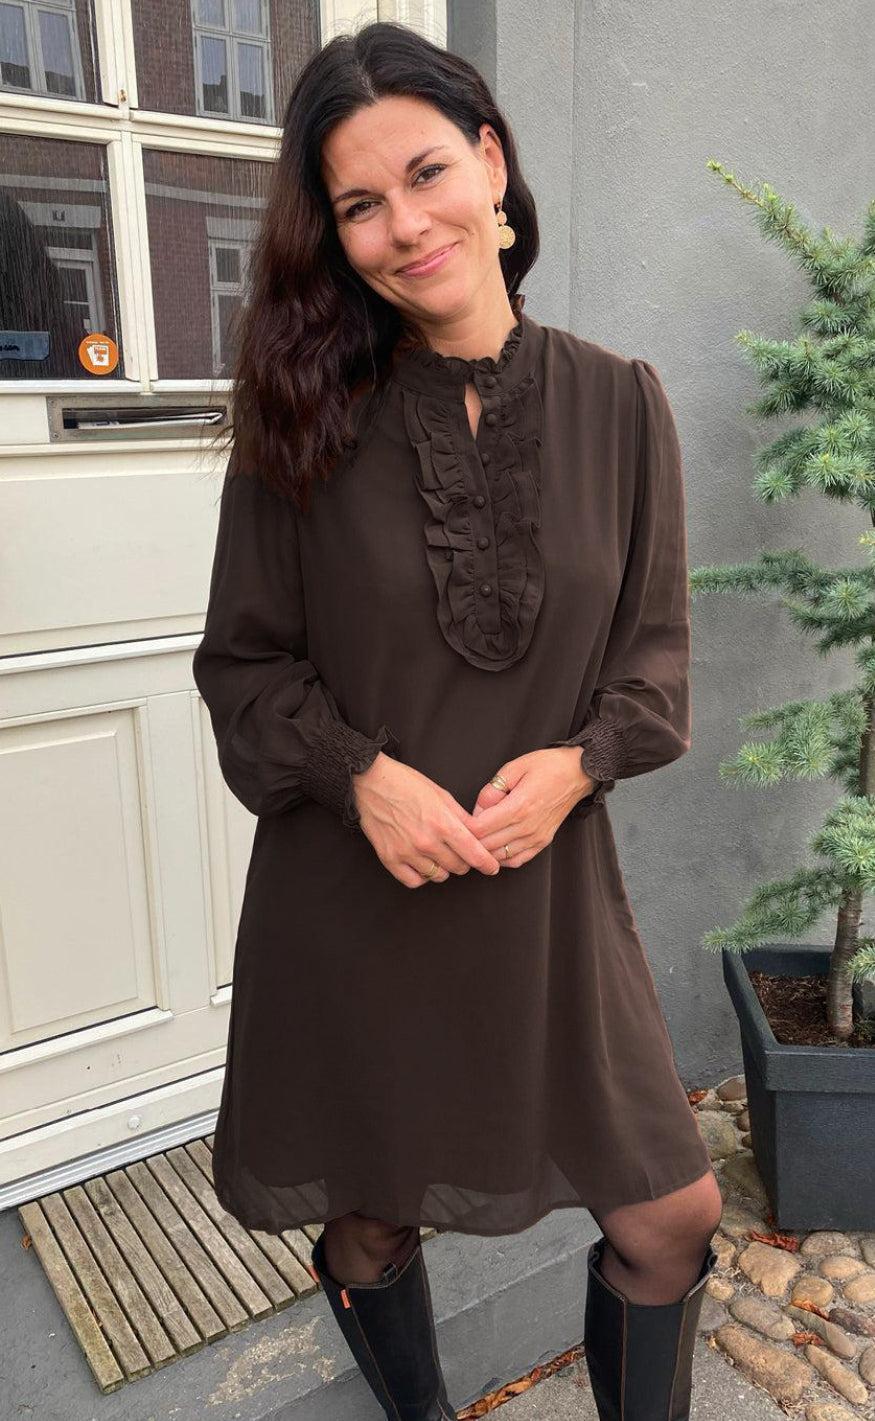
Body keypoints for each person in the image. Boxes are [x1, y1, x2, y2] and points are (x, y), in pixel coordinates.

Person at [192, 19, 723, 1421]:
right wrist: (361, 774)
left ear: (491, 164)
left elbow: (655, 665)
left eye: (426, 172)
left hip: (550, 900)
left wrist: (582, 765)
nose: (404, 225)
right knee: (375, 1218)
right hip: (358, 899)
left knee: (669, 1219)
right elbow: (242, 667)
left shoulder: (622, 402)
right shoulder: (301, 421)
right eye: (359, 204)